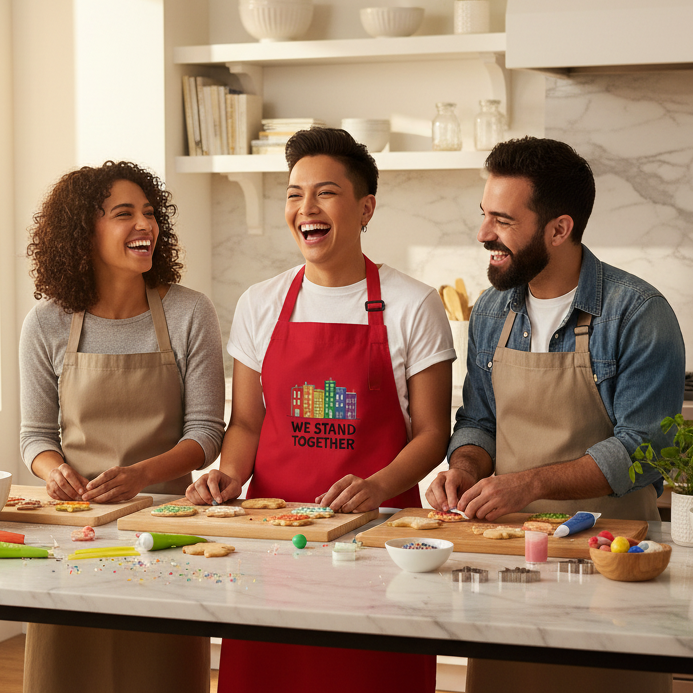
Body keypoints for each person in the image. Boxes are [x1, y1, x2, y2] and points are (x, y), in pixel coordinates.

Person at [187, 127, 455, 693]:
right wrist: (227, 478)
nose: (305, 208)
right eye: (293, 193)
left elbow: (433, 433)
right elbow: (247, 422)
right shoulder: (261, 302)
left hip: (377, 539)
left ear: (365, 208)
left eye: (325, 192)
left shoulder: (414, 304)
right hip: (275, 537)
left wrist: (377, 486)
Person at [426, 137, 684, 693]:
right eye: (483, 215)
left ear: (559, 229)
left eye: (501, 220)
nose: (483, 235)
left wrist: (528, 484)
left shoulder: (637, 313)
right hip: (508, 555)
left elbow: (644, 448)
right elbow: (480, 421)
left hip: (610, 561)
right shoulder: (494, 310)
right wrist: (466, 466)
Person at [20, 161, 226, 693]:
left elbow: (206, 432)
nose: (146, 225)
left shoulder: (187, 312)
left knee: (160, 673)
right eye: (124, 214)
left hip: (165, 528)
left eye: (150, 213)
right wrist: (54, 469)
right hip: (75, 528)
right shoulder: (46, 322)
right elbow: (35, 436)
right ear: (83, 232)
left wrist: (141, 475)